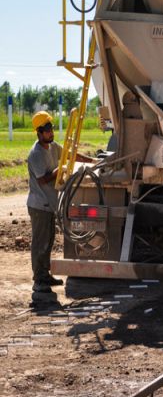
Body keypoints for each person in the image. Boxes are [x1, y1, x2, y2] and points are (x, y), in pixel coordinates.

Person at [27, 111, 94, 294]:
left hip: (49, 204)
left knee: (48, 241)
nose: (51, 132)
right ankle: (38, 280)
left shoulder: (52, 147)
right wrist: (62, 167)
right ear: (39, 132)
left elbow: (69, 154)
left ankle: (45, 275)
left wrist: (92, 160)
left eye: (51, 128)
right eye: (47, 130)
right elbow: (43, 179)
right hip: (39, 205)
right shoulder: (36, 154)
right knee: (40, 243)